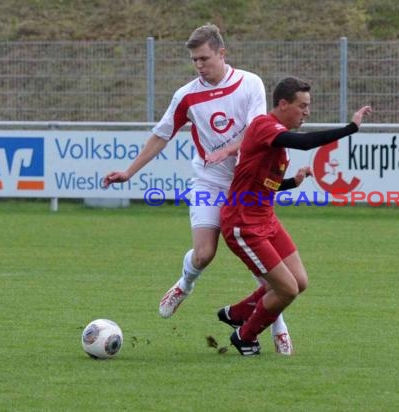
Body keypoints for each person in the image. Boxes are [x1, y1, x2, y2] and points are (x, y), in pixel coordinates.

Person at [102, 23, 296, 355]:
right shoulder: (187, 95)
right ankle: (184, 284)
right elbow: (161, 135)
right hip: (209, 183)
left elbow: (256, 131)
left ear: (222, 53)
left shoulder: (250, 83)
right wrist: (129, 172)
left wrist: (229, 149)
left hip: (246, 187)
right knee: (204, 254)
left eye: (204, 58)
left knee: (260, 263)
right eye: (194, 60)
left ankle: (277, 325)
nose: (199, 65)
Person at [216, 76, 372, 355]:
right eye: (302, 106)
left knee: (299, 282)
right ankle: (245, 336)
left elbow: (264, 183)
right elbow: (305, 143)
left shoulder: (275, 137)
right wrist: (351, 128)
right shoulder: (264, 126)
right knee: (286, 289)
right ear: (283, 104)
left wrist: (292, 183)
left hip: (266, 219)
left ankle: (239, 313)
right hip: (243, 223)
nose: (307, 112)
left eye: (308, 106)